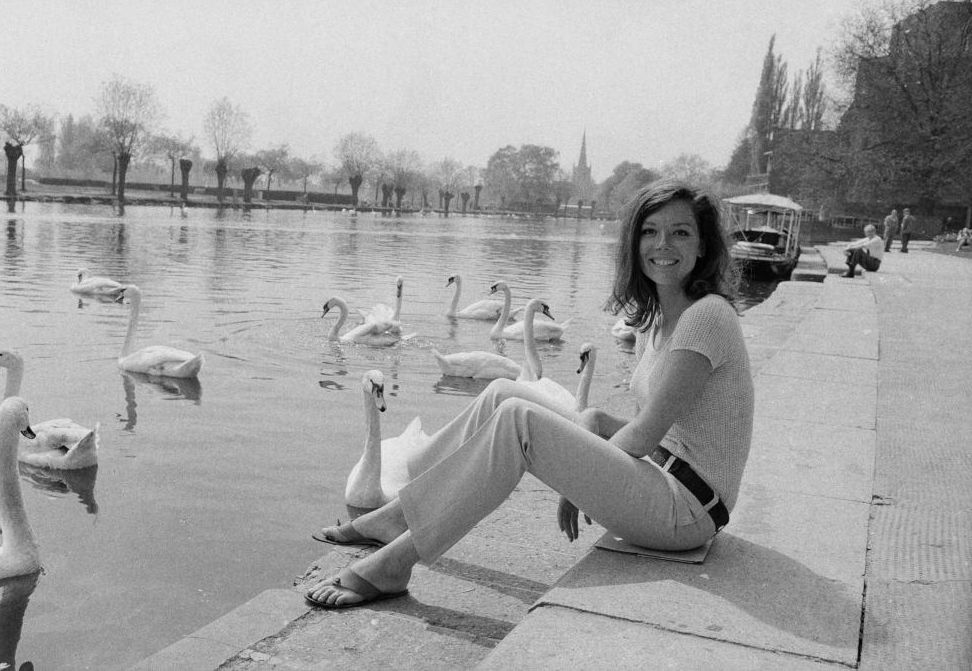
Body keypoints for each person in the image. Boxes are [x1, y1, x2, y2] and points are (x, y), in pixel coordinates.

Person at [306, 180, 755, 608]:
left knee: (519, 420)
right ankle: (400, 514)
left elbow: (642, 437)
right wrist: (592, 425)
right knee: (503, 390)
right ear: (634, 245)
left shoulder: (706, 317)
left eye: (681, 233)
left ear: (703, 246)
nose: (663, 245)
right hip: (663, 482)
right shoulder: (657, 321)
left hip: (686, 510)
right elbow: (665, 430)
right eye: (650, 232)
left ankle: (396, 562)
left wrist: (579, 478)